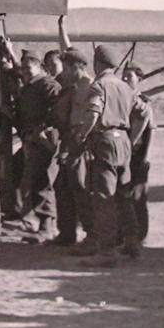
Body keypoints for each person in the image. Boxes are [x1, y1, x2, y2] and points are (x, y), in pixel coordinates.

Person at [75, 45, 149, 267]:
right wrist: (132, 138)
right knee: (124, 194)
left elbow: (93, 114)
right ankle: (132, 241)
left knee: (103, 197)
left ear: (98, 64)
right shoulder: (124, 87)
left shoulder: (100, 85)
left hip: (105, 141)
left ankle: (107, 251)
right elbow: (144, 112)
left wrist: (81, 135)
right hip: (123, 142)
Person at [14, 50, 62, 241]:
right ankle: (41, 224)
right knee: (34, 180)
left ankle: (47, 227)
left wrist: (43, 130)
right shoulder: (28, 87)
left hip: (44, 140)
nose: (25, 71)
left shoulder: (48, 85)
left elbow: (57, 110)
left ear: (39, 66)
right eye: (23, 68)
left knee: (44, 181)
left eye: (28, 67)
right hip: (31, 139)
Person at [50, 49, 93, 247]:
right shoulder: (72, 86)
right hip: (69, 139)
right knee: (62, 186)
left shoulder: (89, 86)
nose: (63, 72)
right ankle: (66, 233)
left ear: (76, 67)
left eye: (66, 68)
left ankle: (92, 234)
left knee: (80, 186)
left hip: (82, 142)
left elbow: (92, 117)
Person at [122, 61, 155, 250]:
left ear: (139, 80)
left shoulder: (144, 102)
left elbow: (150, 131)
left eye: (130, 76)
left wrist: (146, 158)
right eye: (124, 76)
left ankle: (140, 235)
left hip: (137, 154)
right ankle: (126, 235)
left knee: (138, 196)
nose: (126, 79)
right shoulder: (121, 98)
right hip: (123, 152)